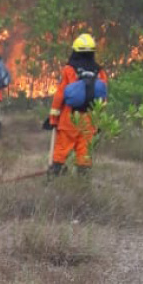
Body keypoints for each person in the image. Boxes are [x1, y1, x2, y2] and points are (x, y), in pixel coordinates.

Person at [44, 33, 108, 177]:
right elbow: (103, 100)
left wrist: (53, 119)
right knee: (84, 153)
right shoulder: (100, 71)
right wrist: (98, 123)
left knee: (61, 151)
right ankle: (82, 184)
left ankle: (53, 179)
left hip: (70, 118)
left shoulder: (69, 70)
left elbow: (60, 95)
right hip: (90, 120)